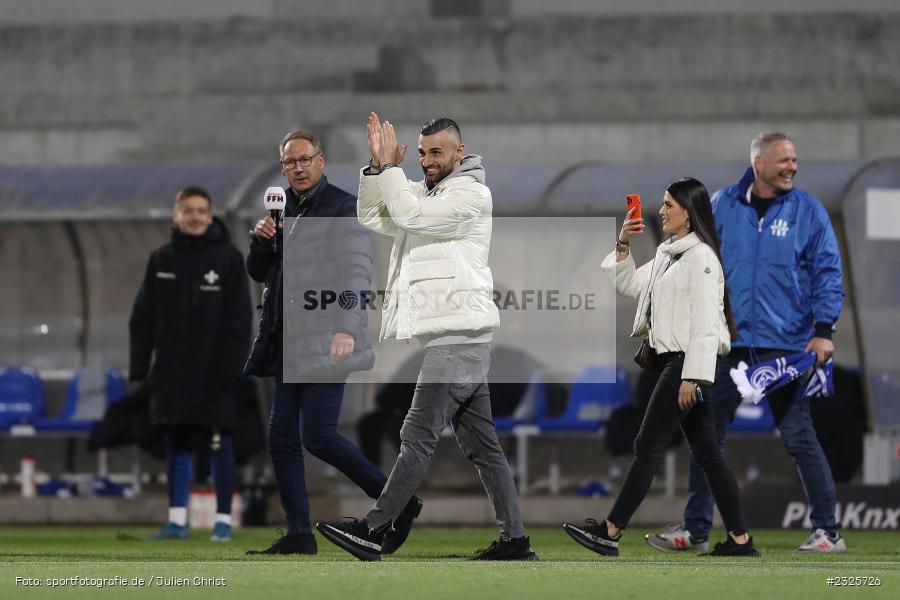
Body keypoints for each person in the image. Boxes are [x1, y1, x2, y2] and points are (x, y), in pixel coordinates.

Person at [316, 114, 537, 562]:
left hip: (457, 337)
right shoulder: (423, 191)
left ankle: (374, 529)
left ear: (460, 153)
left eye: (436, 152)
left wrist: (393, 174)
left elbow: (408, 214)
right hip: (455, 337)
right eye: (421, 152)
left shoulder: (470, 194)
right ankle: (515, 541)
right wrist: (378, 170)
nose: (426, 160)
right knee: (483, 446)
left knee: (417, 434)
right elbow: (375, 217)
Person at [646, 133, 846, 554]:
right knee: (706, 436)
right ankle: (696, 530)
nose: (792, 166)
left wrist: (824, 330)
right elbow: (692, 255)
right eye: (783, 160)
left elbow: (828, 270)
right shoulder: (721, 204)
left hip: (787, 346)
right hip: (729, 343)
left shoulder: (808, 211)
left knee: (799, 436)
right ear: (758, 163)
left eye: (794, 159)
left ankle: (828, 531)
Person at [243, 129, 421, 556]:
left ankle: (401, 502)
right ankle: (299, 534)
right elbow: (258, 271)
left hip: (327, 338)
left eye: (305, 160)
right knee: (282, 439)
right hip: (288, 339)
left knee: (318, 437)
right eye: (290, 162)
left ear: (321, 161)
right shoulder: (283, 208)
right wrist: (261, 241)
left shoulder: (343, 207)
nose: (298, 168)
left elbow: (356, 272)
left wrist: (344, 327)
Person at [563, 177, 760, 558]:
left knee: (646, 445)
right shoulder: (671, 253)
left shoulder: (700, 258)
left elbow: (706, 321)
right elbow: (630, 286)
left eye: (670, 204)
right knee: (708, 455)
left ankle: (611, 531)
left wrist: (693, 376)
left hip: (686, 362)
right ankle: (740, 541)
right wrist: (623, 243)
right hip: (679, 361)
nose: (663, 210)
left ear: (689, 212)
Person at [129, 185, 251, 542]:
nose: (195, 217)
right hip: (171, 372)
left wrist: (233, 369)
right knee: (176, 443)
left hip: (217, 374)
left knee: (220, 443)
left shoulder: (228, 259)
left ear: (210, 215)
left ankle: (223, 523)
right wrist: (139, 367)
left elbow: (240, 322)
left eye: (201, 210)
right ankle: (177, 521)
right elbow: (142, 318)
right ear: (176, 216)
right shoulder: (160, 260)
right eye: (188, 211)